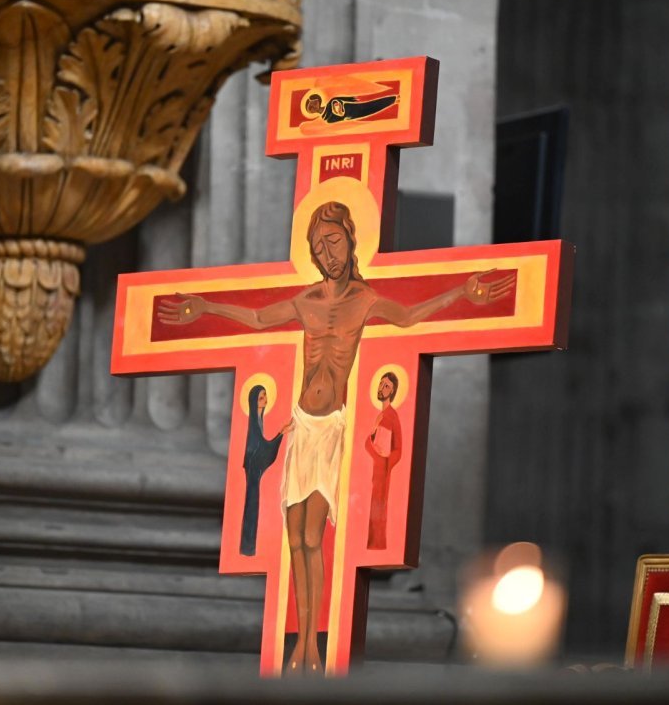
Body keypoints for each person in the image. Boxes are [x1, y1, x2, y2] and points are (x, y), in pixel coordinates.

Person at [157, 201, 513, 674]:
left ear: (350, 236)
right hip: (302, 424)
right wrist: (206, 309)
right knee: (294, 542)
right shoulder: (306, 301)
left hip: (331, 429)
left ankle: (309, 642)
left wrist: (462, 294)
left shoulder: (364, 301)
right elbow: (260, 319)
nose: (327, 253)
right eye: (318, 247)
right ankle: (301, 642)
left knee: (314, 536)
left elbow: (408, 317)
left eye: (334, 241)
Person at [240, 385, 287, 557]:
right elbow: (258, 447)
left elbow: (262, 447)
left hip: (255, 468)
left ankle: (249, 545)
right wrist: (280, 435)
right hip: (253, 469)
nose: (265, 399)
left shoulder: (259, 419)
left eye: (265, 396)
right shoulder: (253, 422)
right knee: (251, 507)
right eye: (261, 398)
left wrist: (280, 434)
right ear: (253, 402)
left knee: (254, 506)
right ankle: (247, 546)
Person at [365, 372, 402, 550]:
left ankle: (377, 544)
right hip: (376, 471)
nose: (382, 388)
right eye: (381, 384)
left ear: (393, 391)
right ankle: (374, 544)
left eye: (387, 386)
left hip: (383, 473)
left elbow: (392, 449)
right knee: (374, 510)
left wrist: (386, 460)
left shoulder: (390, 416)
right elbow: (372, 444)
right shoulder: (382, 415)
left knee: (379, 510)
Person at [303, 91, 398, 124]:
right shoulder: (327, 120)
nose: (314, 107)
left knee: (372, 105)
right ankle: (393, 99)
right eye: (311, 108)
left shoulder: (332, 102)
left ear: (318, 101)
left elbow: (340, 106)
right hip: (353, 115)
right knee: (372, 108)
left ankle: (394, 99)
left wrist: (338, 108)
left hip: (355, 108)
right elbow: (340, 116)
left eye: (313, 104)